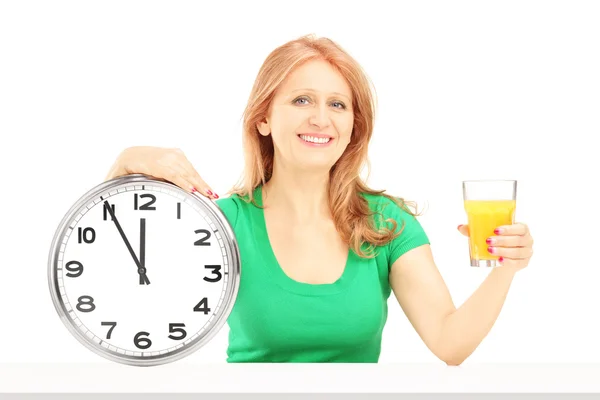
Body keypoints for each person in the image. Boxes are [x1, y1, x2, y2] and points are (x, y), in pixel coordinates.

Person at [104, 34, 535, 364]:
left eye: (338, 104)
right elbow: (120, 268)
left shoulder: (386, 223)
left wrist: (506, 268)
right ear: (263, 119)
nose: (321, 118)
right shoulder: (223, 225)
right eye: (301, 99)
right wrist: (125, 162)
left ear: (352, 127)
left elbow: (449, 342)